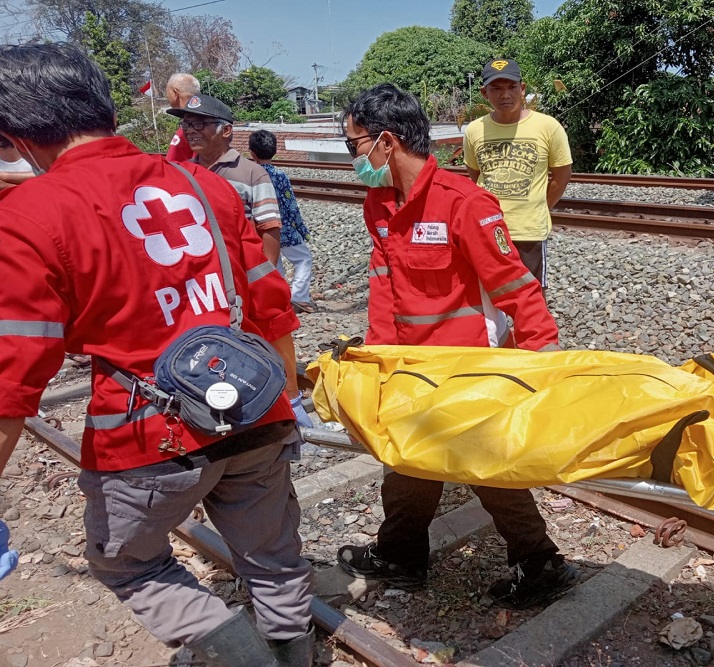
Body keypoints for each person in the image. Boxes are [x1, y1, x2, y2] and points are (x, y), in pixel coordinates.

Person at [0, 44, 315, 667]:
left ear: (7, 135)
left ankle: (246, 660)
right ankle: (293, 652)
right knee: (273, 554)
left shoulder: (31, 211)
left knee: (128, 563)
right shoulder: (204, 183)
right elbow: (272, 306)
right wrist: (286, 397)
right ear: (101, 105)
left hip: (147, 436)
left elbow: (6, 373)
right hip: (255, 409)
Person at [335, 83, 579, 610]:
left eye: (354, 144)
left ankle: (540, 562)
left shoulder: (464, 203)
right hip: (412, 363)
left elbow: (515, 284)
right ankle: (401, 555)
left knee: (479, 461)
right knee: (406, 456)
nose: (352, 157)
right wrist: (379, 359)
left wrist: (543, 354)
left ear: (385, 142)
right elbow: (384, 284)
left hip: (467, 364)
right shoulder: (378, 203)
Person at [463, 58, 573, 289]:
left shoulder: (548, 126)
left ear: (522, 89)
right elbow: (476, 175)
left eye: (512, 87)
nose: (505, 95)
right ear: (484, 92)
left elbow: (561, 175)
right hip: (487, 229)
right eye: (496, 88)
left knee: (531, 294)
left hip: (528, 230)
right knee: (489, 294)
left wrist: (540, 206)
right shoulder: (474, 130)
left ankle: (530, 328)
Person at [167, 95, 282, 266]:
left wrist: (265, 277)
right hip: (200, 273)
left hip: (240, 269)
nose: (190, 131)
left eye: (199, 124)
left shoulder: (253, 174)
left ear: (226, 130)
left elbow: (269, 227)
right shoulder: (182, 172)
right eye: (186, 124)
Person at [248, 130, 315, 315]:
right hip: (287, 230)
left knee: (274, 265)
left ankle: (280, 299)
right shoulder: (280, 175)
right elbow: (291, 205)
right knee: (303, 260)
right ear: (275, 151)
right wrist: (302, 229)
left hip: (265, 230)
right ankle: (299, 298)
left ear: (252, 153)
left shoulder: (251, 175)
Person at [165, 73, 199, 161]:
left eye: (167, 92)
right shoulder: (187, 123)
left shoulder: (198, 125)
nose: (166, 96)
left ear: (175, 93)